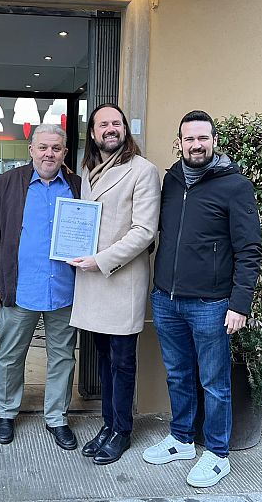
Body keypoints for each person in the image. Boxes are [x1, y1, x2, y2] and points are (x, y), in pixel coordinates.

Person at [144, 110, 261, 488]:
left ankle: (217, 453)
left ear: (214, 141)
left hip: (211, 305)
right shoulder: (172, 180)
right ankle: (181, 439)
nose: (196, 145)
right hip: (166, 299)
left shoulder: (235, 186)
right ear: (179, 142)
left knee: (215, 382)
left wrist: (240, 304)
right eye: (189, 139)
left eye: (202, 138)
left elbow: (249, 249)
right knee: (178, 374)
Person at [68, 103, 161, 465]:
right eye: (103, 124)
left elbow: (144, 231)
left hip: (121, 281)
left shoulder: (143, 170)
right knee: (104, 359)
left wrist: (101, 260)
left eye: (116, 123)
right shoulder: (88, 171)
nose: (111, 128)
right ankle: (108, 424)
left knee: (122, 362)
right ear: (93, 134)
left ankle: (122, 430)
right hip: (92, 282)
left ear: (125, 129)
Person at [0, 124, 82, 450]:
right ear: (31, 150)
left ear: (65, 153)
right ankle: (6, 413)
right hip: (20, 289)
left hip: (64, 289)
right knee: (11, 356)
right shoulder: (8, 184)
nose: (49, 154)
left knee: (62, 358)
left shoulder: (79, 187)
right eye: (43, 147)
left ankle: (57, 418)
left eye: (56, 148)